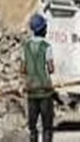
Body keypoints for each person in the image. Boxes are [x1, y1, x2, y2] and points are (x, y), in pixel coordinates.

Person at [21, 13, 55, 142]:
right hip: (45, 90)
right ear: (42, 29)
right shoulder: (47, 47)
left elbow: (22, 69)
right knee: (47, 126)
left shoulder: (26, 46)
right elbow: (51, 69)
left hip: (31, 90)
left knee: (32, 126)